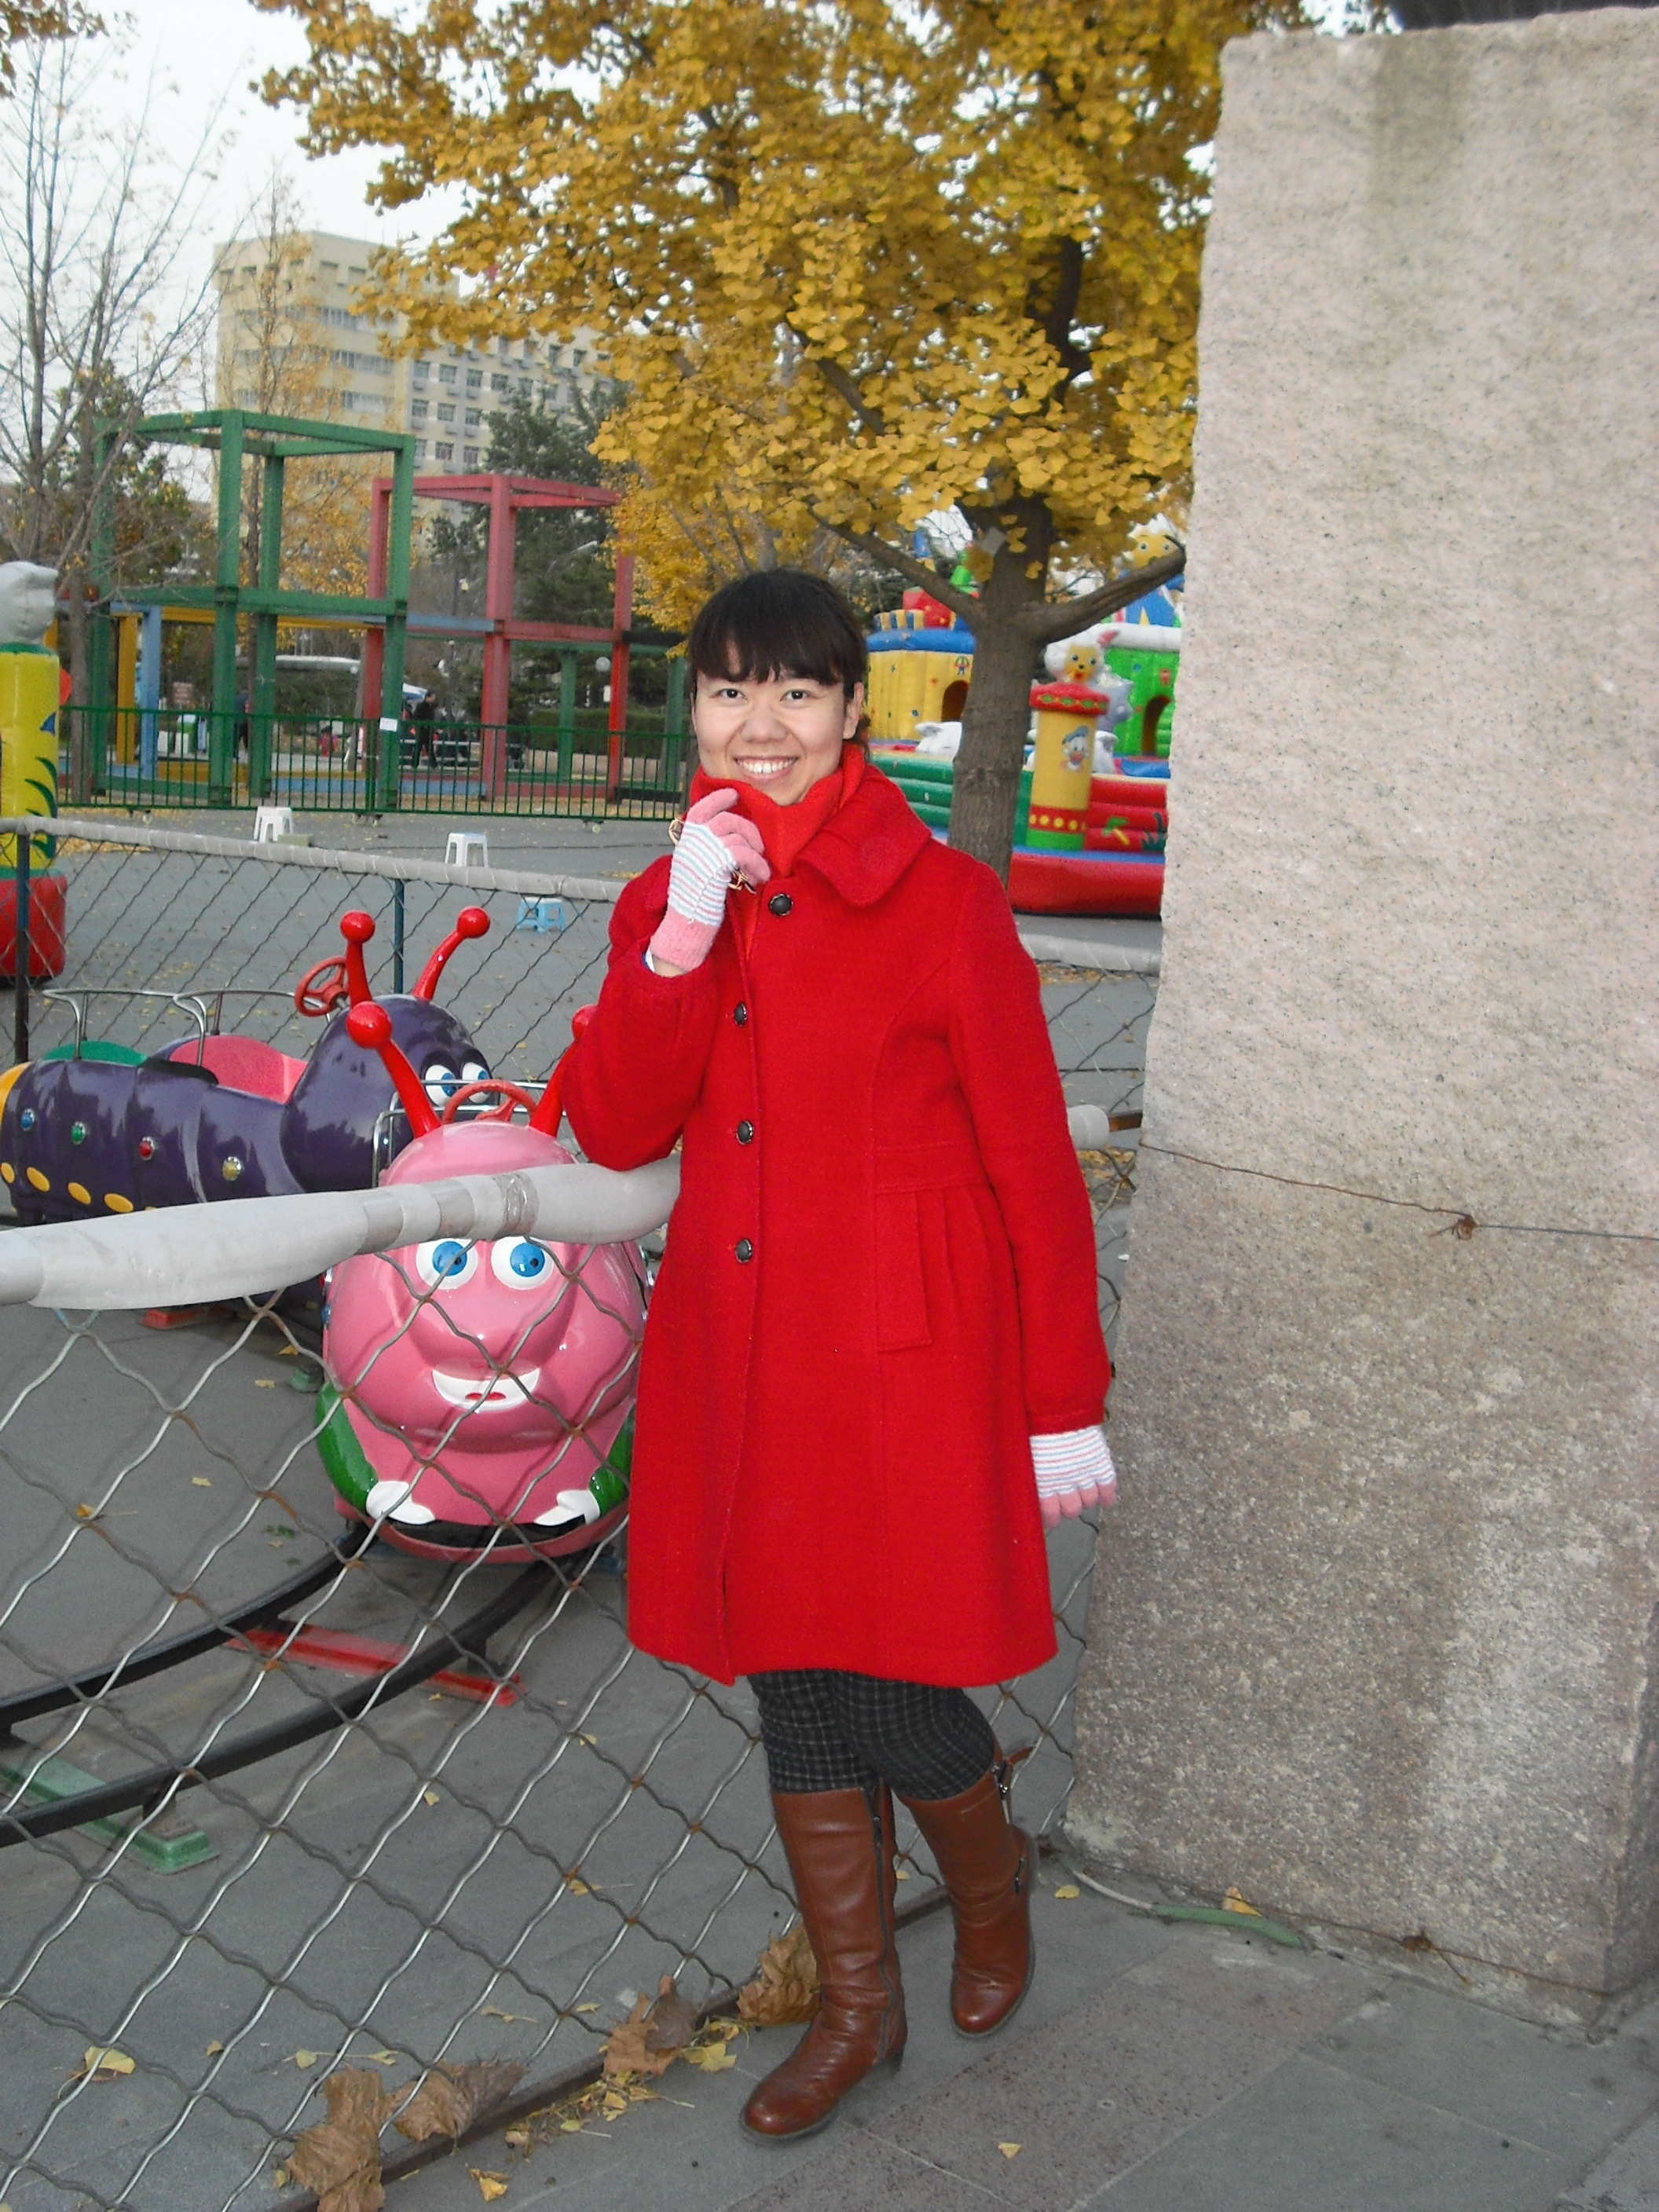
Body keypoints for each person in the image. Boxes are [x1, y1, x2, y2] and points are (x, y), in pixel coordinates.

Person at [562, 570, 1114, 2142]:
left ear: (856, 708)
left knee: (894, 1675)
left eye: (798, 690)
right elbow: (613, 1125)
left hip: (901, 1358)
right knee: (792, 1672)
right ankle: (860, 2007)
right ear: (694, 709)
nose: (763, 724)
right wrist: (682, 931)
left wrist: (1062, 1398)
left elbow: (1032, 1165)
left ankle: (989, 1892)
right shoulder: (675, 893)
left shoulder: (943, 902)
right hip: (741, 1350)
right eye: (729, 690)